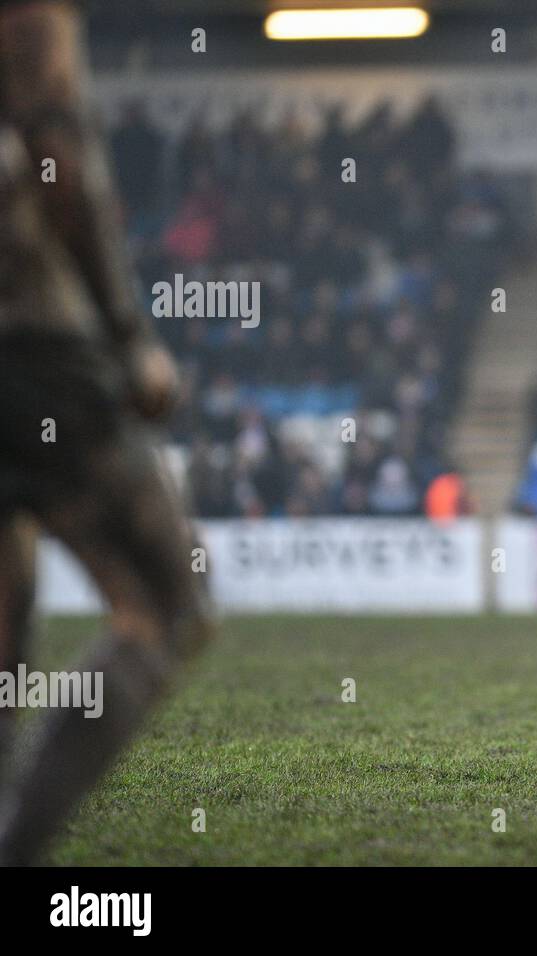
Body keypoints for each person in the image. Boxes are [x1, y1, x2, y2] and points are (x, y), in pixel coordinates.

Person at [0, 0, 214, 865]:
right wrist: (127, 335)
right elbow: (54, 140)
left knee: (7, 614)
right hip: (27, 337)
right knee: (165, 605)